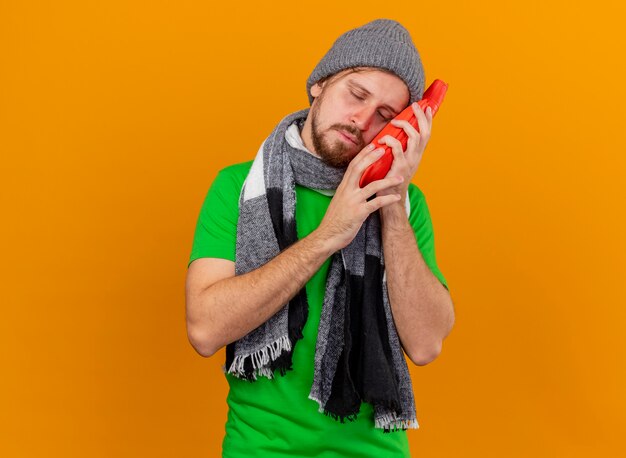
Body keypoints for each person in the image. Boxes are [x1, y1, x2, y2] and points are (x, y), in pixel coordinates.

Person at [185, 18, 455, 458]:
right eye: (356, 94)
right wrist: (331, 234)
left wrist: (390, 201)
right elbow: (204, 329)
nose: (362, 120)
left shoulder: (406, 206)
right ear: (320, 84)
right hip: (259, 449)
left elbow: (426, 345)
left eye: (386, 117)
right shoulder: (238, 188)